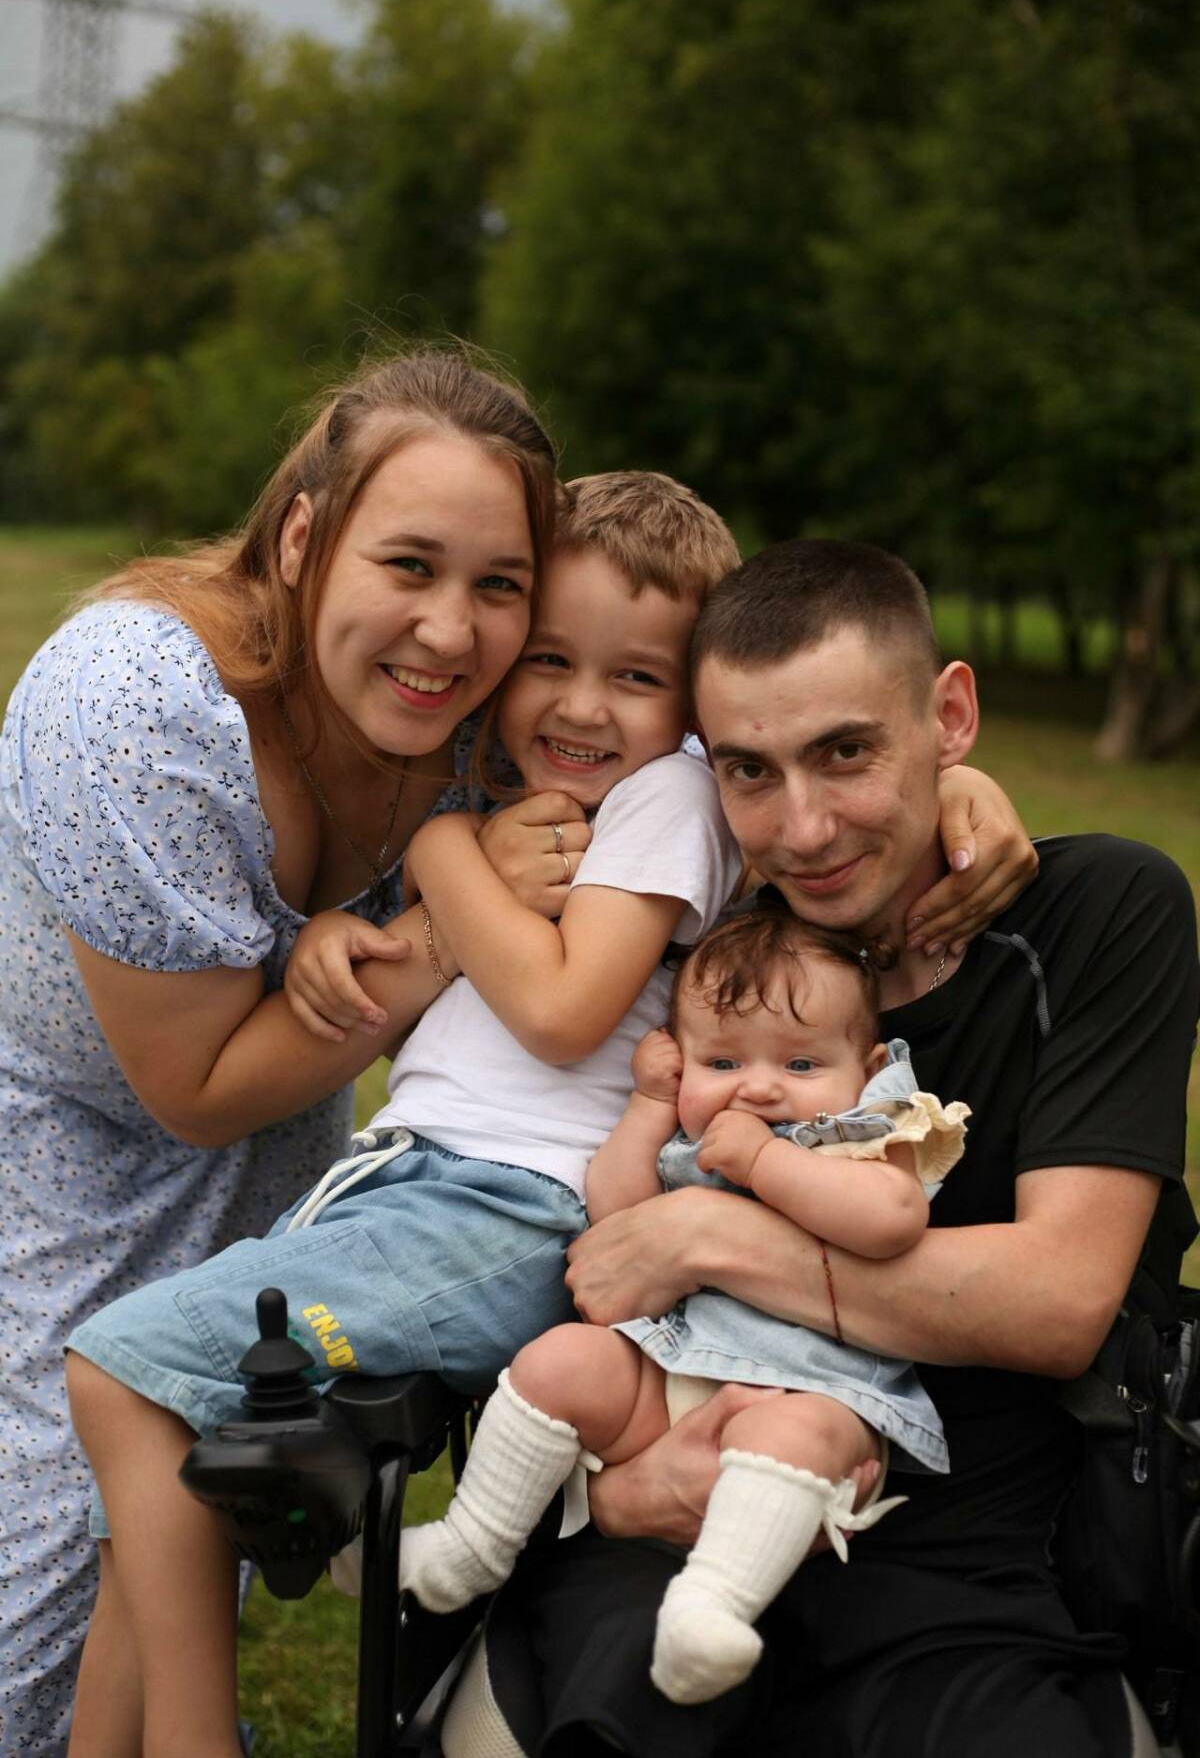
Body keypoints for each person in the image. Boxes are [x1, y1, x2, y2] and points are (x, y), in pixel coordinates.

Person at [473, 538, 1200, 1758]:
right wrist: (618, 1492)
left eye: (848, 752)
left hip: (959, 1563)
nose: (803, 829)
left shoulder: (1099, 916)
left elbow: (1056, 1302)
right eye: (750, 770)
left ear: (949, 717)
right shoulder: (708, 947)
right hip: (669, 1509)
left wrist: (709, 1234)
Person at [62, 471, 748, 1758]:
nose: (582, 705)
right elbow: (437, 972)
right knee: (141, 1491)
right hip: (413, 1190)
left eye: (638, 677)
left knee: (118, 1370)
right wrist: (339, 939)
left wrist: (442, 852)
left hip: (513, 1209)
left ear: (697, 703)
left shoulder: (671, 798)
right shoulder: (511, 799)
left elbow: (560, 1011)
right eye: (550, 658)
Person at [0, 346, 571, 1754]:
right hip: (56, 1153)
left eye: (500, 584)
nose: (451, 631)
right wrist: (445, 928)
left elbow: (702, 696)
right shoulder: (138, 705)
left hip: (285, 1165)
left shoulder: (494, 717)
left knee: (164, 1549)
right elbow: (194, 1092)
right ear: (305, 537)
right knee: (25, 1652)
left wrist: (956, 801)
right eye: (409, 564)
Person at [399, 905, 970, 1709]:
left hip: (816, 1391)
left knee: (795, 1435)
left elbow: (891, 1220)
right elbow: (617, 1215)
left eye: (801, 1063)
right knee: (564, 1360)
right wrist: (647, 1105)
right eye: (722, 1060)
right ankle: (471, 1547)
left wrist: (766, 1164)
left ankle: (711, 1608)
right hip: (670, 1373)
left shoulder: (863, 1131)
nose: (759, 1086)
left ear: (868, 1066)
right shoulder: (690, 1135)